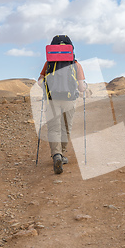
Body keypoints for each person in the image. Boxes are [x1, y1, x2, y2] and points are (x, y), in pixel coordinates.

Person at [38, 35, 86, 174]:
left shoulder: (48, 64)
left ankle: (56, 155)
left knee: (54, 129)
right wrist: (84, 88)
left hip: (51, 99)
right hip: (69, 101)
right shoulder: (76, 64)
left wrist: (46, 88)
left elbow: (40, 81)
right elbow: (81, 88)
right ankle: (62, 154)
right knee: (66, 128)